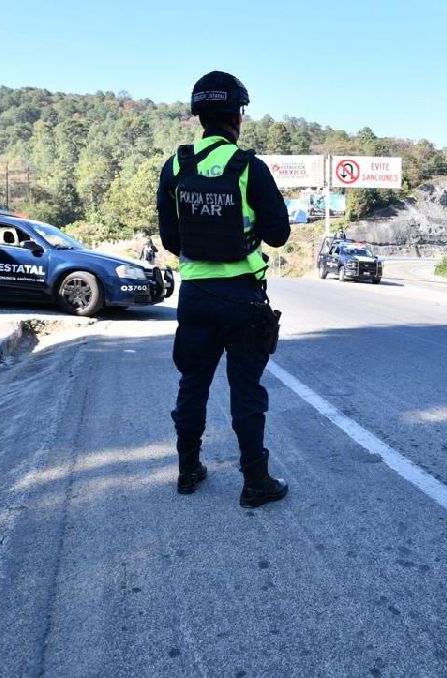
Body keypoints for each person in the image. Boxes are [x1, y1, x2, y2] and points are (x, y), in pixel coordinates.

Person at [156, 71, 292, 508]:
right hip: (242, 297)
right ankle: (255, 481)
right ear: (238, 115)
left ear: (199, 116)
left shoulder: (176, 167)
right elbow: (279, 236)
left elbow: (171, 241)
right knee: (246, 391)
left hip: (196, 296)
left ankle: (187, 469)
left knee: (193, 383)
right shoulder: (250, 168)